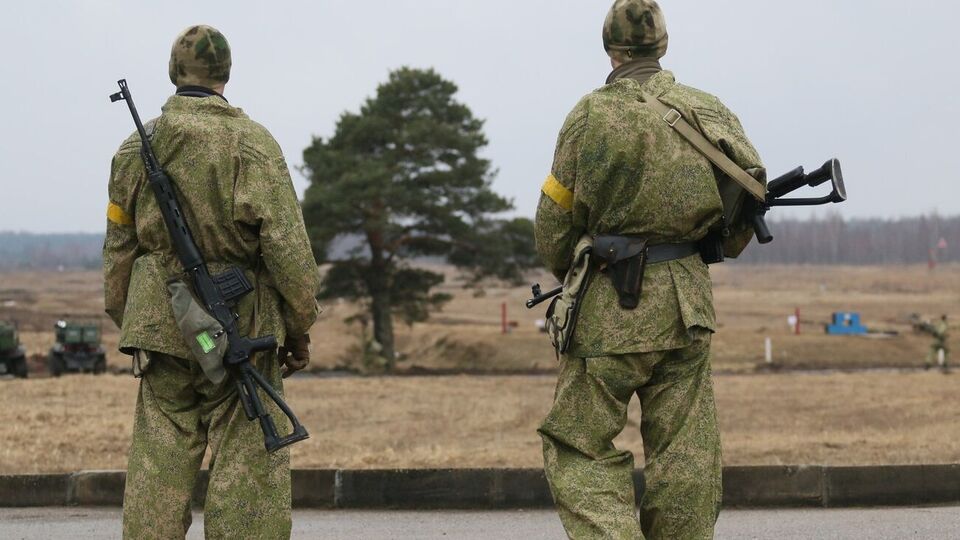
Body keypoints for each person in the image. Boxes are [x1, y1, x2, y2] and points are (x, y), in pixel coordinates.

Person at [534, 1, 766, 538]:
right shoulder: (709, 109)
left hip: (611, 307)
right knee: (686, 448)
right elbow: (748, 204)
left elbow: (554, 224)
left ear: (610, 48)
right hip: (688, 307)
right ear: (662, 45)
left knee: (578, 441)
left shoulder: (591, 115)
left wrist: (571, 267)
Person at [103, 25, 320, 539]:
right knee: (247, 472)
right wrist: (299, 325)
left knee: (158, 462)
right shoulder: (253, 143)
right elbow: (289, 250)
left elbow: (119, 248)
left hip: (162, 327)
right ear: (226, 74)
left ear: (174, 73)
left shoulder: (135, 147)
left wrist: (132, 318)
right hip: (243, 326)